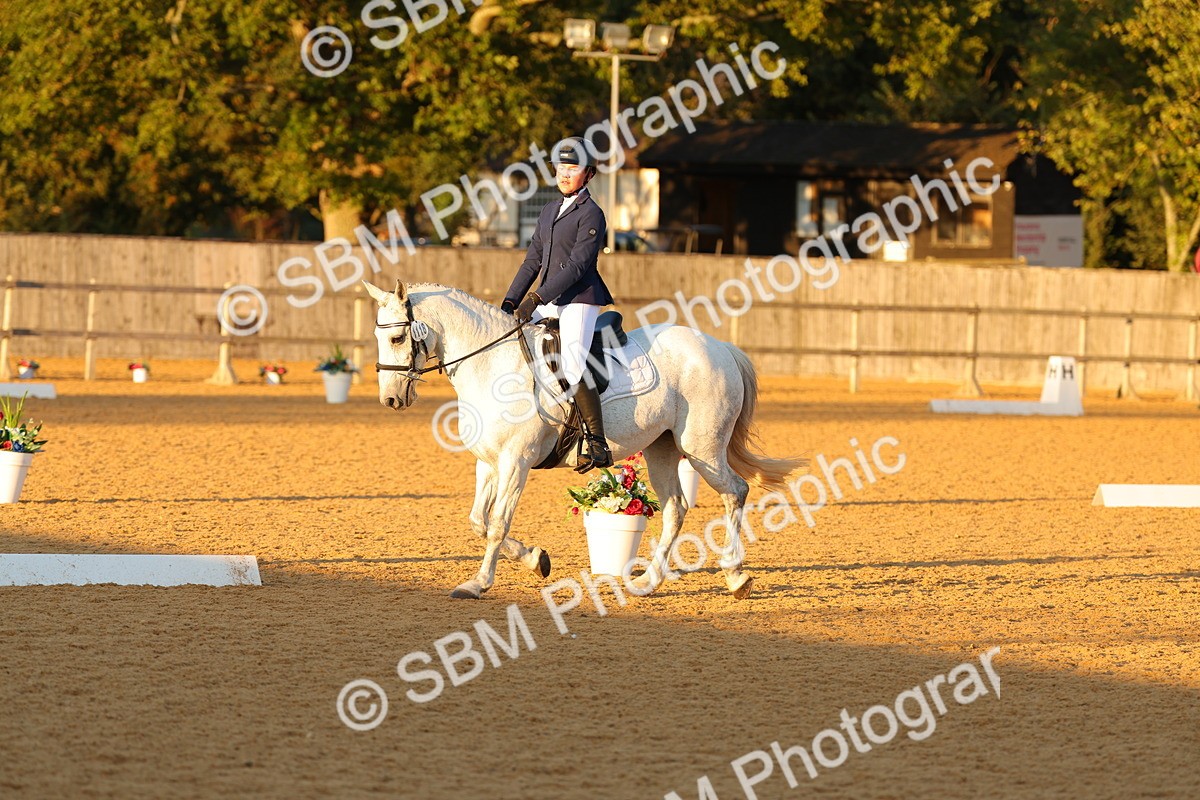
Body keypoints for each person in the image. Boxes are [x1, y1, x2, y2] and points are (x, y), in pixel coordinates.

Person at [502, 136, 614, 473]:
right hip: (548, 299)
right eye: (560, 168)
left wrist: (536, 298)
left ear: (589, 174)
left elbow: (578, 266)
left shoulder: (592, 213)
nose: (564, 174)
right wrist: (511, 301)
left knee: (573, 364)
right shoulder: (550, 210)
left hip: (578, 298)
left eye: (573, 168)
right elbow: (532, 261)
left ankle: (597, 441)